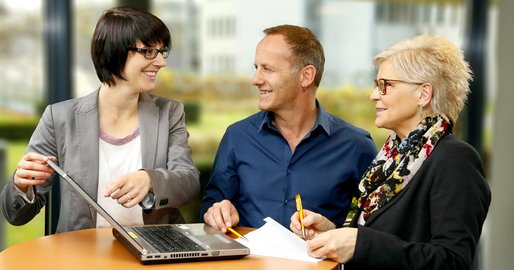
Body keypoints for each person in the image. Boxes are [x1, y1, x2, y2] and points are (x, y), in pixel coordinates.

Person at [290, 35, 491, 269]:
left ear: (423, 94)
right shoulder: (391, 159)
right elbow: (382, 239)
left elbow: (452, 262)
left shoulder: (456, 160)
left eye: (385, 85)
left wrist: (359, 243)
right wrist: (333, 234)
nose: (374, 95)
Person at [0, 7, 200, 233]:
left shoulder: (169, 112)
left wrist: (150, 180)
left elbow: (188, 182)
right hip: (83, 255)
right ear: (115, 52)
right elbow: (15, 215)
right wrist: (21, 185)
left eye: (162, 51)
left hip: (154, 253)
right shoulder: (59, 118)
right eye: (148, 52)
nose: (161, 62)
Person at [200, 24, 377, 232]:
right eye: (255, 68)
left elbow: (376, 230)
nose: (255, 80)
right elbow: (211, 204)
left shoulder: (356, 146)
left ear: (306, 76)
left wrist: (333, 232)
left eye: (267, 69)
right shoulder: (237, 137)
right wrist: (216, 211)